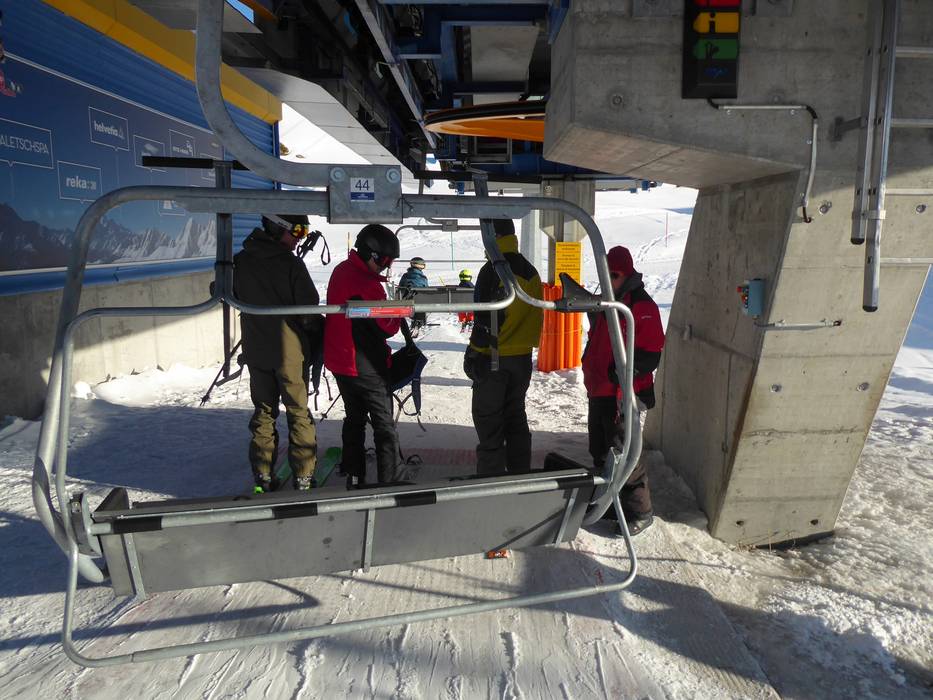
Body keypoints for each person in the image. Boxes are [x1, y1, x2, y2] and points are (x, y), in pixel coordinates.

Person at [234, 214, 321, 492]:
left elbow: (224, 291)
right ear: (277, 228)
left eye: (304, 232)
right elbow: (309, 306)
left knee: (264, 411)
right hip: (289, 352)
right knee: (297, 411)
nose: (300, 238)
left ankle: (263, 474)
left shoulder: (241, 260)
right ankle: (303, 475)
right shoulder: (290, 264)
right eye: (297, 231)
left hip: (257, 350)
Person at [582, 246, 664, 535]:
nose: (610, 279)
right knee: (600, 451)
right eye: (606, 274)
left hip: (622, 394)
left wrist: (624, 373)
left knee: (625, 455)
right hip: (600, 390)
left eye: (614, 274)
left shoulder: (640, 306)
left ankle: (641, 511)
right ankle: (609, 502)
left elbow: (651, 353)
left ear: (626, 274)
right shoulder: (609, 302)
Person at [324, 224, 402, 486]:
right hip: (365, 365)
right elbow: (387, 327)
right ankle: (389, 480)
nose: (385, 267)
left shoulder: (341, 270)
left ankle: (355, 475)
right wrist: (398, 312)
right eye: (384, 261)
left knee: (354, 419)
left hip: (341, 362)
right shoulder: (366, 284)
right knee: (383, 425)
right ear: (371, 254)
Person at [463, 219, 543, 474]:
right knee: (515, 416)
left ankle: (491, 478)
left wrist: (474, 353)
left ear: (493, 236)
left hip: (494, 357)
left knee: (489, 422)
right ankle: (520, 474)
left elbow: (484, 317)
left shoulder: (494, 269)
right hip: (522, 358)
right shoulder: (530, 270)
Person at [399, 257, 429, 331]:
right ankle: (419, 321)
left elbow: (400, 286)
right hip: (420, 302)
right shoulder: (423, 277)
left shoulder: (405, 276)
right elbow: (426, 290)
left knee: (415, 300)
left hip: (406, 301)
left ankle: (415, 321)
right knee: (421, 299)